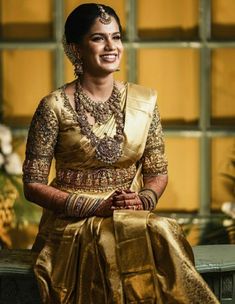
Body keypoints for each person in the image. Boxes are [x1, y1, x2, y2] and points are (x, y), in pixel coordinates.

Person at [22, 3, 219, 303]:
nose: (111, 46)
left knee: (164, 231)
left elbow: (156, 172)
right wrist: (93, 207)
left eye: (116, 37)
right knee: (108, 242)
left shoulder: (144, 102)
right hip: (71, 224)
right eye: (99, 38)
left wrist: (142, 199)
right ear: (76, 48)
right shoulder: (54, 107)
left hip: (130, 215)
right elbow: (33, 184)